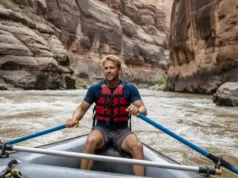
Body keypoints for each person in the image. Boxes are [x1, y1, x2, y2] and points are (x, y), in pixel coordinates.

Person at [66, 55, 147, 176]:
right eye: (106, 68)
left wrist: (138, 110)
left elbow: (143, 109)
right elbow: (82, 109)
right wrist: (74, 119)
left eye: (112, 68)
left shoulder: (130, 88)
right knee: (91, 140)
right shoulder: (95, 88)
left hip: (122, 130)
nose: (108, 71)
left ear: (119, 69)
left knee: (137, 146)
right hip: (101, 129)